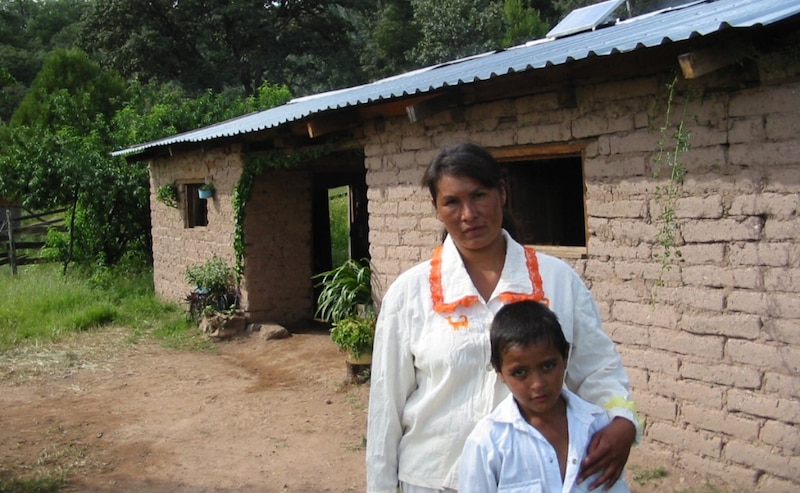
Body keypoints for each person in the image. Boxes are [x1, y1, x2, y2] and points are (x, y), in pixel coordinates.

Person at [366, 143, 640, 493]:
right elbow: (385, 410)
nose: (469, 214)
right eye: (452, 202)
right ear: (436, 209)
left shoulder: (557, 280)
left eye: (479, 195)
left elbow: (599, 369)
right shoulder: (409, 294)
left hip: (532, 480)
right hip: (433, 480)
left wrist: (622, 421)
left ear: (503, 193)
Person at [459, 300, 630, 493]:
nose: (538, 383)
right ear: (500, 372)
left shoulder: (596, 425)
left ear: (565, 357)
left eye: (548, 366)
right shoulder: (488, 443)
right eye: (520, 372)